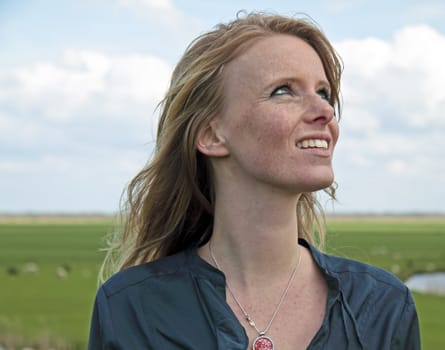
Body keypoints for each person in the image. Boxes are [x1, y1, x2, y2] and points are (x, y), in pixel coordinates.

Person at [88, 12, 421, 350]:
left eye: (323, 93)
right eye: (283, 91)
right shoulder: (132, 308)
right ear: (211, 135)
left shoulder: (381, 307)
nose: (325, 111)